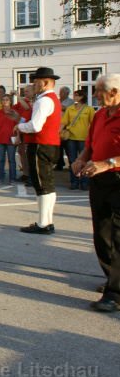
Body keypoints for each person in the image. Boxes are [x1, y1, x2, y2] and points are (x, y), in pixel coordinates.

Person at [71, 74, 120, 312]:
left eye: (100, 91)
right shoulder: (100, 114)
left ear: (115, 92)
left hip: (118, 177)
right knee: (102, 231)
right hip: (99, 178)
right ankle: (112, 277)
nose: (95, 95)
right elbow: (90, 144)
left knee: (119, 237)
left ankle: (116, 294)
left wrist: (108, 162)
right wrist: (81, 159)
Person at [15, 67, 63, 235]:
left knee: (41, 185)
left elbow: (35, 126)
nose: (34, 85)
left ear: (45, 82)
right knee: (47, 184)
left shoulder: (43, 100)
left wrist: (19, 126)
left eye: (36, 82)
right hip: (50, 145)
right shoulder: (52, 99)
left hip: (40, 145)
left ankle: (43, 224)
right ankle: (47, 221)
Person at [60, 89, 95, 190]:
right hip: (71, 137)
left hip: (84, 138)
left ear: (82, 97)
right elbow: (64, 122)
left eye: (77, 96)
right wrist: (59, 132)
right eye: (74, 95)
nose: (75, 97)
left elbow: (93, 124)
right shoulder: (70, 109)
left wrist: (93, 137)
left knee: (84, 160)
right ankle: (74, 182)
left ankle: (84, 182)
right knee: (72, 160)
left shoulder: (89, 109)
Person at [0, 95, 20, 185]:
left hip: (11, 138)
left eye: (7, 100)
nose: (5, 101)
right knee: (0, 159)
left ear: (10, 101)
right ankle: (0, 178)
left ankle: (12, 179)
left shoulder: (14, 112)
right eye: (3, 100)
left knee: (11, 160)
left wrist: (18, 137)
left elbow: (18, 126)